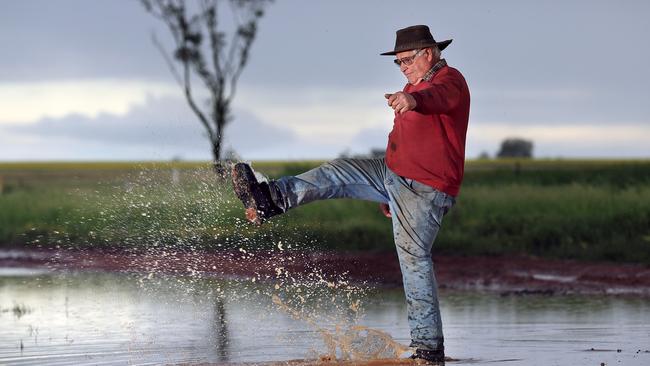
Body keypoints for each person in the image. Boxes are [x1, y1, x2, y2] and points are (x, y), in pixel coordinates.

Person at [232, 25, 470, 364]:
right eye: (398, 62)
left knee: (414, 261)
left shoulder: (449, 81)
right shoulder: (411, 86)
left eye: (407, 60)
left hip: (424, 189)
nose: (403, 67)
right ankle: (269, 199)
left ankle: (428, 350)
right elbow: (405, 136)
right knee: (337, 171)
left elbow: (440, 100)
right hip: (392, 176)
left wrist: (414, 99)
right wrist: (389, 192)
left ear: (429, 54)